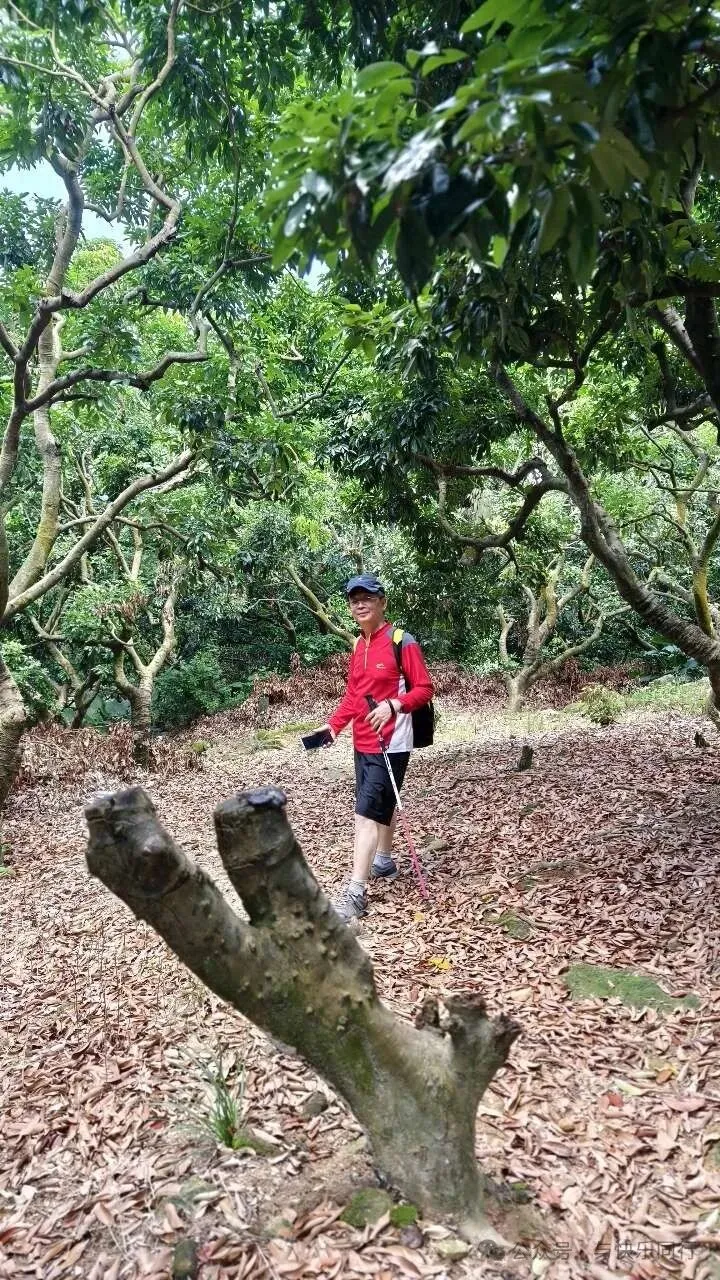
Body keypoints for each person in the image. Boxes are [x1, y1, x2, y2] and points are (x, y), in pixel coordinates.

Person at [314, 574, 434, 923]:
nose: (360, 604)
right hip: (363, 741)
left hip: (392, 742)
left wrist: (394, 705)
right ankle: (383, 859)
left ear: (382, 602)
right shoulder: (358, 645)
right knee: (382, 802)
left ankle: (355, 894)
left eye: (367, 598)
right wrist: (333, 726)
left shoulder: (402, 642)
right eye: (355, 600)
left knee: (365, 813)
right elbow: (354, 694)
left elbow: (424, 688)